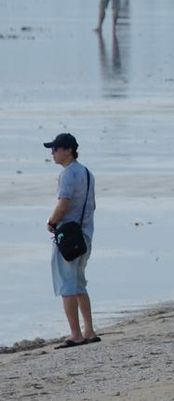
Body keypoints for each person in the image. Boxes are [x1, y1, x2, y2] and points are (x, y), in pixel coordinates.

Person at [45, 133, 100, 349]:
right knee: (79, 283)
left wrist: (51, 222)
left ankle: (76, 334)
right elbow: (92, 205)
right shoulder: (87, 172)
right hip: (85, 235)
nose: (52, 153)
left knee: (66, 285)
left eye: (55, 149)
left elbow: (63, 204)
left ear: (68, 150)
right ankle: (89, 330)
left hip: (68, 237)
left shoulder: (67, 174)